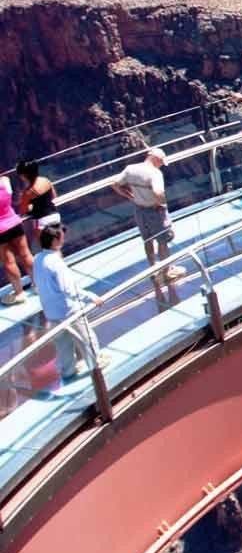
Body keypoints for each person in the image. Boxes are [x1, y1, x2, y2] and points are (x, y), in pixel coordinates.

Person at [33, 224, 109, 380]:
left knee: (63, 344)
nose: (64, 238)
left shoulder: (38, 259)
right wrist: (91, 297)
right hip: (68, 310)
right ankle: (96, 363)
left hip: (51, 311)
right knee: (86, 339)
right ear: (55, 241)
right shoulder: (56, 262)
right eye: (61, 236)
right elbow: (68, 289)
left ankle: (68, 370)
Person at [111, 148, 187, 283]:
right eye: (161, 162)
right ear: (155, 158)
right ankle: (166, 272)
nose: (162, 164)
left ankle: (153, 269)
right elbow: (158, 193)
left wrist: (130, 196)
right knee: (162, 241)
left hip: (139, 210)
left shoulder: (130, 169)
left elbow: (115, 184)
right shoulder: (155, 173)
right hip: (155, 212)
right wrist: (162, 204)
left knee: (147, 240)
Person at [0, 172, 31, 306]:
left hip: (1, 230)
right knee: (26, 254)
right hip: (14, 222)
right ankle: (37, 284)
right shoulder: (4, 181)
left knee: (9, 262)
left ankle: (19, 293)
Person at [14, 159, 59, 252]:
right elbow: (54, 195)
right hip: (55, 216)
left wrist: (30, 206)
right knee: (56, 247)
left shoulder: (28, 192)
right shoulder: (46, 180)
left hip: (42, 221)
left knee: (47, 250)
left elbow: (23, 210)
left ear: (24, 175)